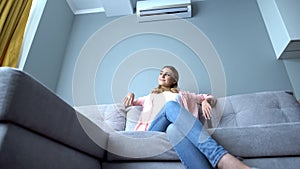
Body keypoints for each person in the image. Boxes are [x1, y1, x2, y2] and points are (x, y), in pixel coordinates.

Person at [123, 66, 253, 169]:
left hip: (174, 130)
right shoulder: (149, 96)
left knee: (173, 128)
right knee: (170, 106)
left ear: (174, 80)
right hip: (154, 130)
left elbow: (209, 97)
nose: (162, 75)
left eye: (167, 74)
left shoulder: (184, 95)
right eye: (161, 73)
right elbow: (131, 102)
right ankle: (221, 158)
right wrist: (131, 93)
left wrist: (205, 102)